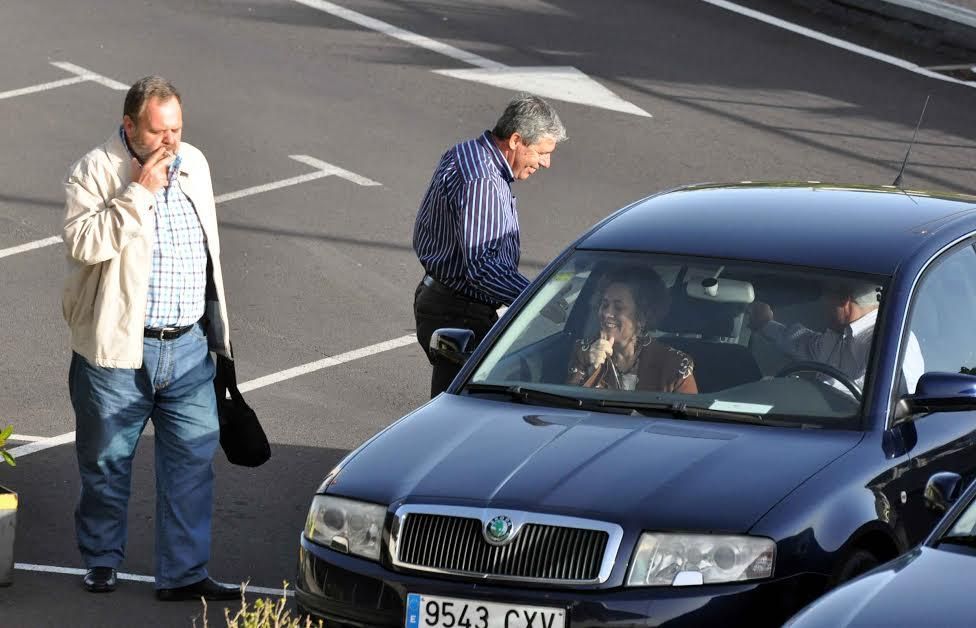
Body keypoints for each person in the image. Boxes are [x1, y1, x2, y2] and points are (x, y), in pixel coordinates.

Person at [61, 76, 239, 601]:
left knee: (191, 463)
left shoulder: (197, 164)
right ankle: (100, 559)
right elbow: (84, 243)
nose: (170, 143)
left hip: (186, 346)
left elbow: (206, 253)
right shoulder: (94, 170)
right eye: (159, 132)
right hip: (118, 351)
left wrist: (215, 332)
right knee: (106, 463)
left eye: (177, 130)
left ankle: (183, 574)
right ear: (129, 126)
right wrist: (139, 192)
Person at [413, 93, 567, 397]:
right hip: (459, 314)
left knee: (464, 404)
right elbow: (484, 267)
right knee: (471, 408)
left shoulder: (466, 152)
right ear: (515, 141)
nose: (546, 163)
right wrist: (538, 300)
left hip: (441, 300)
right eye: (540, 152)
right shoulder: (483, 181)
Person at [748, 282, 924, 393]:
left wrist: (801, 392)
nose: (822, 304)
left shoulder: (893, 344)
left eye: (826, 296)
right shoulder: (837, 335)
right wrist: (765, 324)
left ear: (843, 300)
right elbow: (802, 343)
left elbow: (900, 409)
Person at [567, 270, 698, 393]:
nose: (607, 313)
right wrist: (592, 369)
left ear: (642, 317)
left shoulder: (675, 365)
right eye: (605, 304)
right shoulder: (585, 351)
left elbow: (687, 415)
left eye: (618, 307)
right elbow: (568, 407)